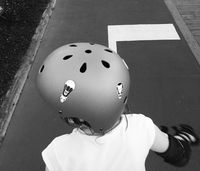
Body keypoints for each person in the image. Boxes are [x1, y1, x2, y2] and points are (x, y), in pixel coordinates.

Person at [36, 43, 199, 171]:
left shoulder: (59, 151)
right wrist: (184, 139)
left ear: (70, 115)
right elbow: (179, 155)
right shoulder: (140, 126)